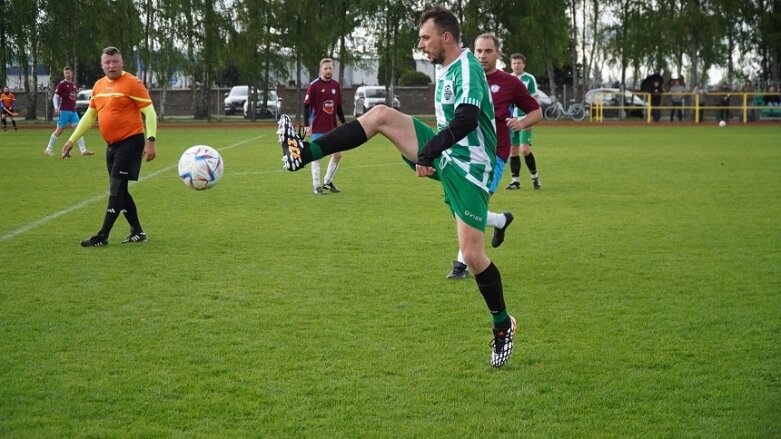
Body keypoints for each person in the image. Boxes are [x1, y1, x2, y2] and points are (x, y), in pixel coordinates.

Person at [277, 6, 517, 368]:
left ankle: (503, 325)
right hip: (446, 153)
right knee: (380, 115)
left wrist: (428, 152)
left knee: (472, 256)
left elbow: (467, 119)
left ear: (446, 37)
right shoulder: (448, 68)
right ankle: (304, 153)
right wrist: (432, 150)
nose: (421, 44)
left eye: (425, 37)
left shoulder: (466, 67)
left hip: (471, 171)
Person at [446, 33, 542, 280]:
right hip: (463, 153)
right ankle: (500, 221)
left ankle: (461, 265)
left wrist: (521, 123)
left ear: (498, 54)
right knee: (458, 206)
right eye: (478, 51)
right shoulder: (465, 78)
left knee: (471, 206)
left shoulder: (510, 82)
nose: (482, 56)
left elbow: (536, 111)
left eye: (488, 51)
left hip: (494, 156)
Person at [61, 46, 158, 247]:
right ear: (102, 64)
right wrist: (71, 140)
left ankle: (102, 236)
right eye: (107, 62)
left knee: (115, 189)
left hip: (131, 142)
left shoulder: (133, 83)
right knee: (120, 190)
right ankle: (138, 232)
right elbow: (89, 116)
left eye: (115, 62)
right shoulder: (98, 86)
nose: (111, 65)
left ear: (122, 63)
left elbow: (150, 113)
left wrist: (150, 140)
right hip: (112, 146)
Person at [305, 58, 346, 195]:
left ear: (333, 69)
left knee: (338, 154)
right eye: (325, 68)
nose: (328, 71)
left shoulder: (335, 85)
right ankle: (316, 186)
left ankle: (327, 181)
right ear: (320, 70)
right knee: (317, 156)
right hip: (317, 127)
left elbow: (338, 106)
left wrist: (344, 123)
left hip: (332, 127)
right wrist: (306, 125)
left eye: (330, 68)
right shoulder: (314, 85)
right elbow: (306, 106)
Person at [505, 53, 541, 190]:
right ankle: (515, 181)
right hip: (511, 120)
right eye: (514, 63)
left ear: (523, 65)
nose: (516, 65)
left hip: (524, 119)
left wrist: (531, 118)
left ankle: (534, 177)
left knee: (524, 149)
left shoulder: (529, 79)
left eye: (519, 63)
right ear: (511, 64)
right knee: (513, 151)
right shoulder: (507, 78)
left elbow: (534, 99)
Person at [44, 66, 94, 156]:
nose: (67, 74)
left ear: (72, 73)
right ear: (64, 74)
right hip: (64, 110)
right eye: (65, 73)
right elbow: (55, 97)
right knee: (59, 130)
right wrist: (56, 107)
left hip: (73, 111)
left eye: (69, 72)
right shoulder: (61, 84)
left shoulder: (73, 84)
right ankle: (48, 149)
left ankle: (83, 150)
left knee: (78, 129)